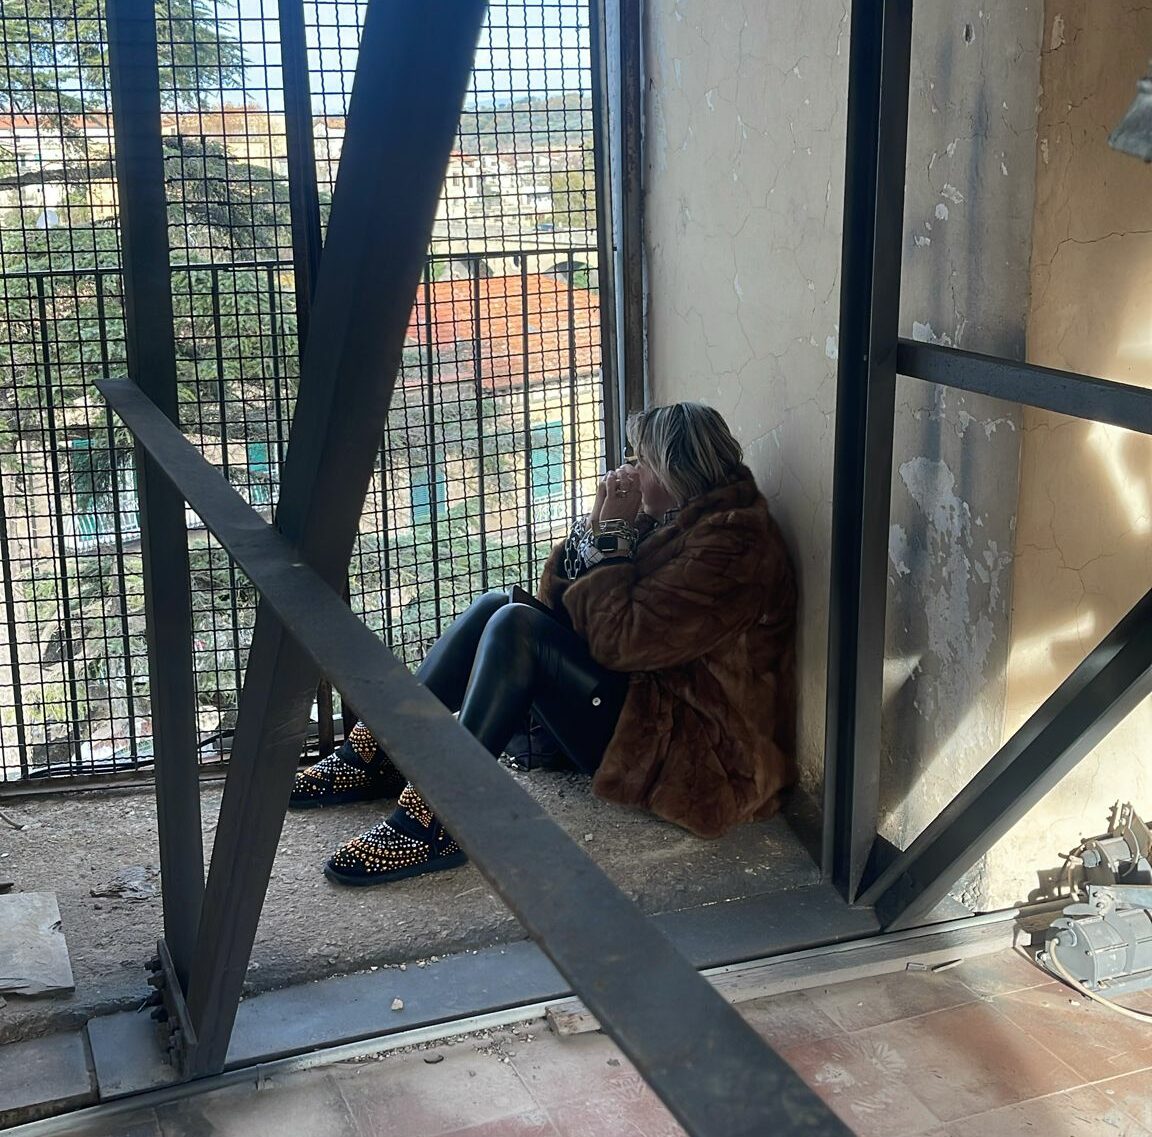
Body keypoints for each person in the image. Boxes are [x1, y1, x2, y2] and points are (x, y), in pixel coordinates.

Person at [289, 401, 798, 886]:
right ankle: (380, 753)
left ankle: (437, 819)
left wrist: (613, 539)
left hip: (698, 755)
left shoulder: (735, 546)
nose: (628, 469)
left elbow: (621, 644)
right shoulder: (673, 520)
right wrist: (597, 530)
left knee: (517, 629)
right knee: (497, 606)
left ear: (671, 469)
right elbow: (557, 606)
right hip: (650, 705)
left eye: (638, 459)